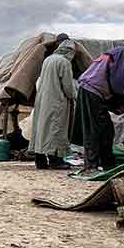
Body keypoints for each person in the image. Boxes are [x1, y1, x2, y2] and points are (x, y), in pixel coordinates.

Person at [73, 38, 124, 171]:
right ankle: (93, 165)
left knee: (103, 129)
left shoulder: (122, 51)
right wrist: (119, 102)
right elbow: (120, 82)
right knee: (97, 130)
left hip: (90, 90)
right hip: (93, 92)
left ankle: (105, 163)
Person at [30, 40, 77, 169]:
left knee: (42, 130)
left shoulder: (48, 60)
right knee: (55, 130)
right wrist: (75, 96)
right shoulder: (64, 62)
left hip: (43, 100)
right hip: (56, 101)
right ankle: (56, 160)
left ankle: (40, 160)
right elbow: (68, 87)